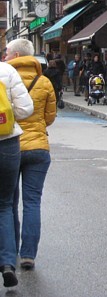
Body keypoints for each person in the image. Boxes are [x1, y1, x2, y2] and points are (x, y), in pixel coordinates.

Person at [5, 39, 56, 273]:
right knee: (32, 202)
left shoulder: (4, 79)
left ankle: (10, 251)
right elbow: (50, 117)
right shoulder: (44, 82)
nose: (4, 57)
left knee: (8, 204)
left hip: (9, 146)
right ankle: (28, 256)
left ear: (15, 54)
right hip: (38, 148)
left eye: (6, 53)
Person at [0, 43, 34, 288]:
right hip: (7, 143)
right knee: (4, 205)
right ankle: (7, 264)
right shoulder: (8, 72)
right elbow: (25, 109)